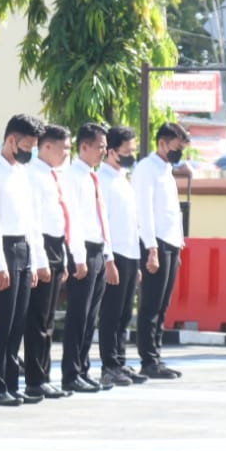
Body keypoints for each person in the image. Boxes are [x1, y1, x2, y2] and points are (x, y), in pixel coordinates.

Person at [0, 114, 48, 407]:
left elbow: (31, 220)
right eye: (26, 144)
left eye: (33, 145)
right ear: (10, 140)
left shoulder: (22, 173)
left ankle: (11, 383)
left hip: (23, 248)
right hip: (3, 248)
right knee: (2, 324)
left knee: (18, 323)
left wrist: (33, 261)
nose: (29, 150)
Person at [23, 125, 81, 401]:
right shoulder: (33, 175)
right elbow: (33, 220)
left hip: (57, 246)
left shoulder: (52, 175)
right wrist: (41, 259)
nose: (67, 154)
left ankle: (43, 376)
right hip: (42, 246)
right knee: (38, 319)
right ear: (47, 147)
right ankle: (35, 379)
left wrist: (66, 256)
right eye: (64, 148)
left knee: (47, 319)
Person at [62, 122, 118, 394]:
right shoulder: (72, 175)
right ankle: (70, 373)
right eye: (99, 147)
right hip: (81, 251)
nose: (103, 152)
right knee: (78, 316)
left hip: (97, 249)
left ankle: (83, 368)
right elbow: (73, 219)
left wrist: (108, 256)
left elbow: (100, 218)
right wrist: (79, 257)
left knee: (91, 315)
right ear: (83, 146)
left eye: (105, 147)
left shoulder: (93, 176)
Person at [134, 123, 188, 380]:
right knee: (151, 306)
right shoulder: (147, 169)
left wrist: (179, 242)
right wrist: (151, 249)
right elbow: (144, 210)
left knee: (163, 306)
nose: (179, 154)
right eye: (177, 148)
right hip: (154, 243)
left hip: (171, 243)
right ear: (163, 143)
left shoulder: (166, 170)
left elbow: (170, 211)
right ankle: (148, 360)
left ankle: (157, 356)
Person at [97, 127, 144, 387]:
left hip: (130, 253)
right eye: (126, 152)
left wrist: (136, 261)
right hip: (114, 254)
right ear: (112, 151)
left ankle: (121, 360)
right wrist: (108, 259)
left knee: (126, 313)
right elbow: (103, 223)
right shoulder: (102, 180)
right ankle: (109, 365)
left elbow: (131, 222)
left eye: (132, 151)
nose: (130, 156)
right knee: (111, 314)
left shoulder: (123, 178)